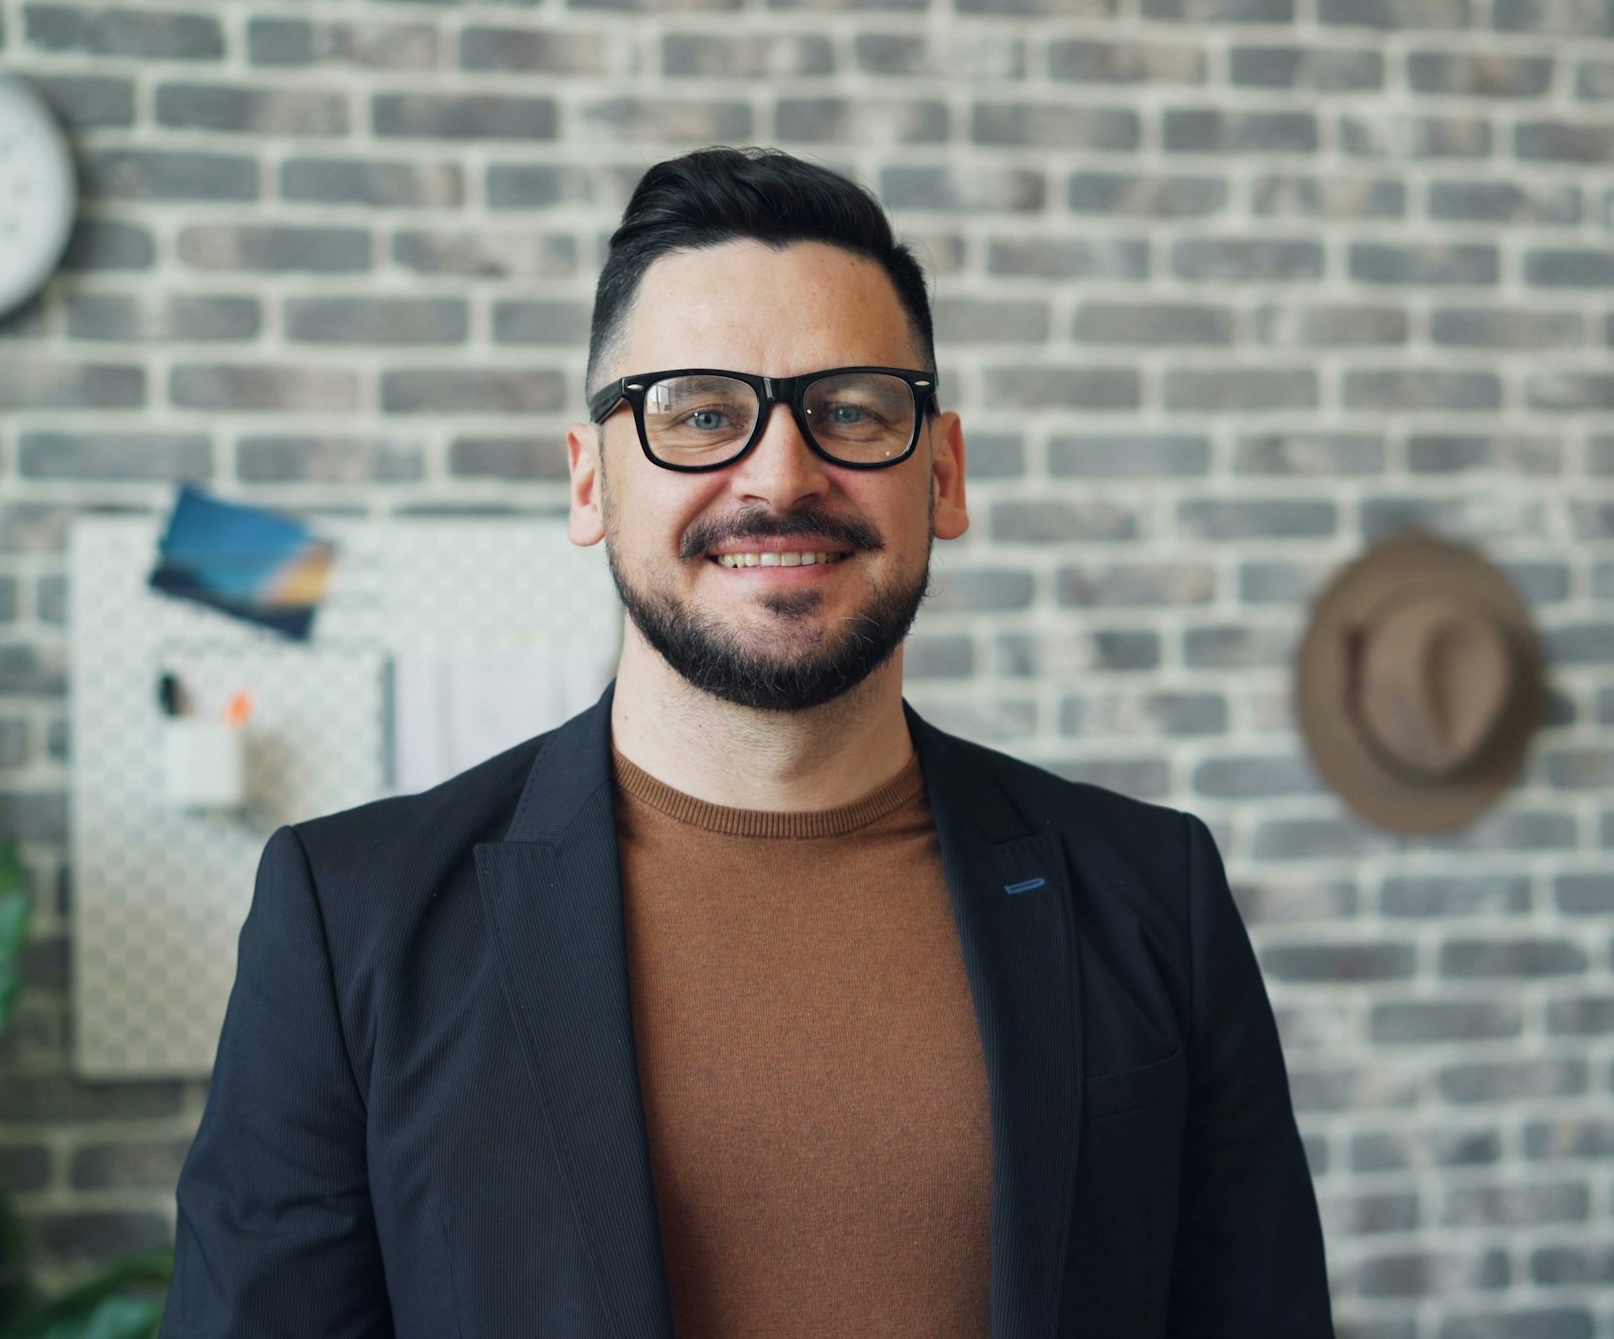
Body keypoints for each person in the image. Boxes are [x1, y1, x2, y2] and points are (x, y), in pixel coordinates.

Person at [162, 145, 1333, 1339]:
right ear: (589, 484)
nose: (780, 473)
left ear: (944, 474)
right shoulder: (348, 918)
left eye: (853, 410)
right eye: (700, 413)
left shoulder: (1152, 893)